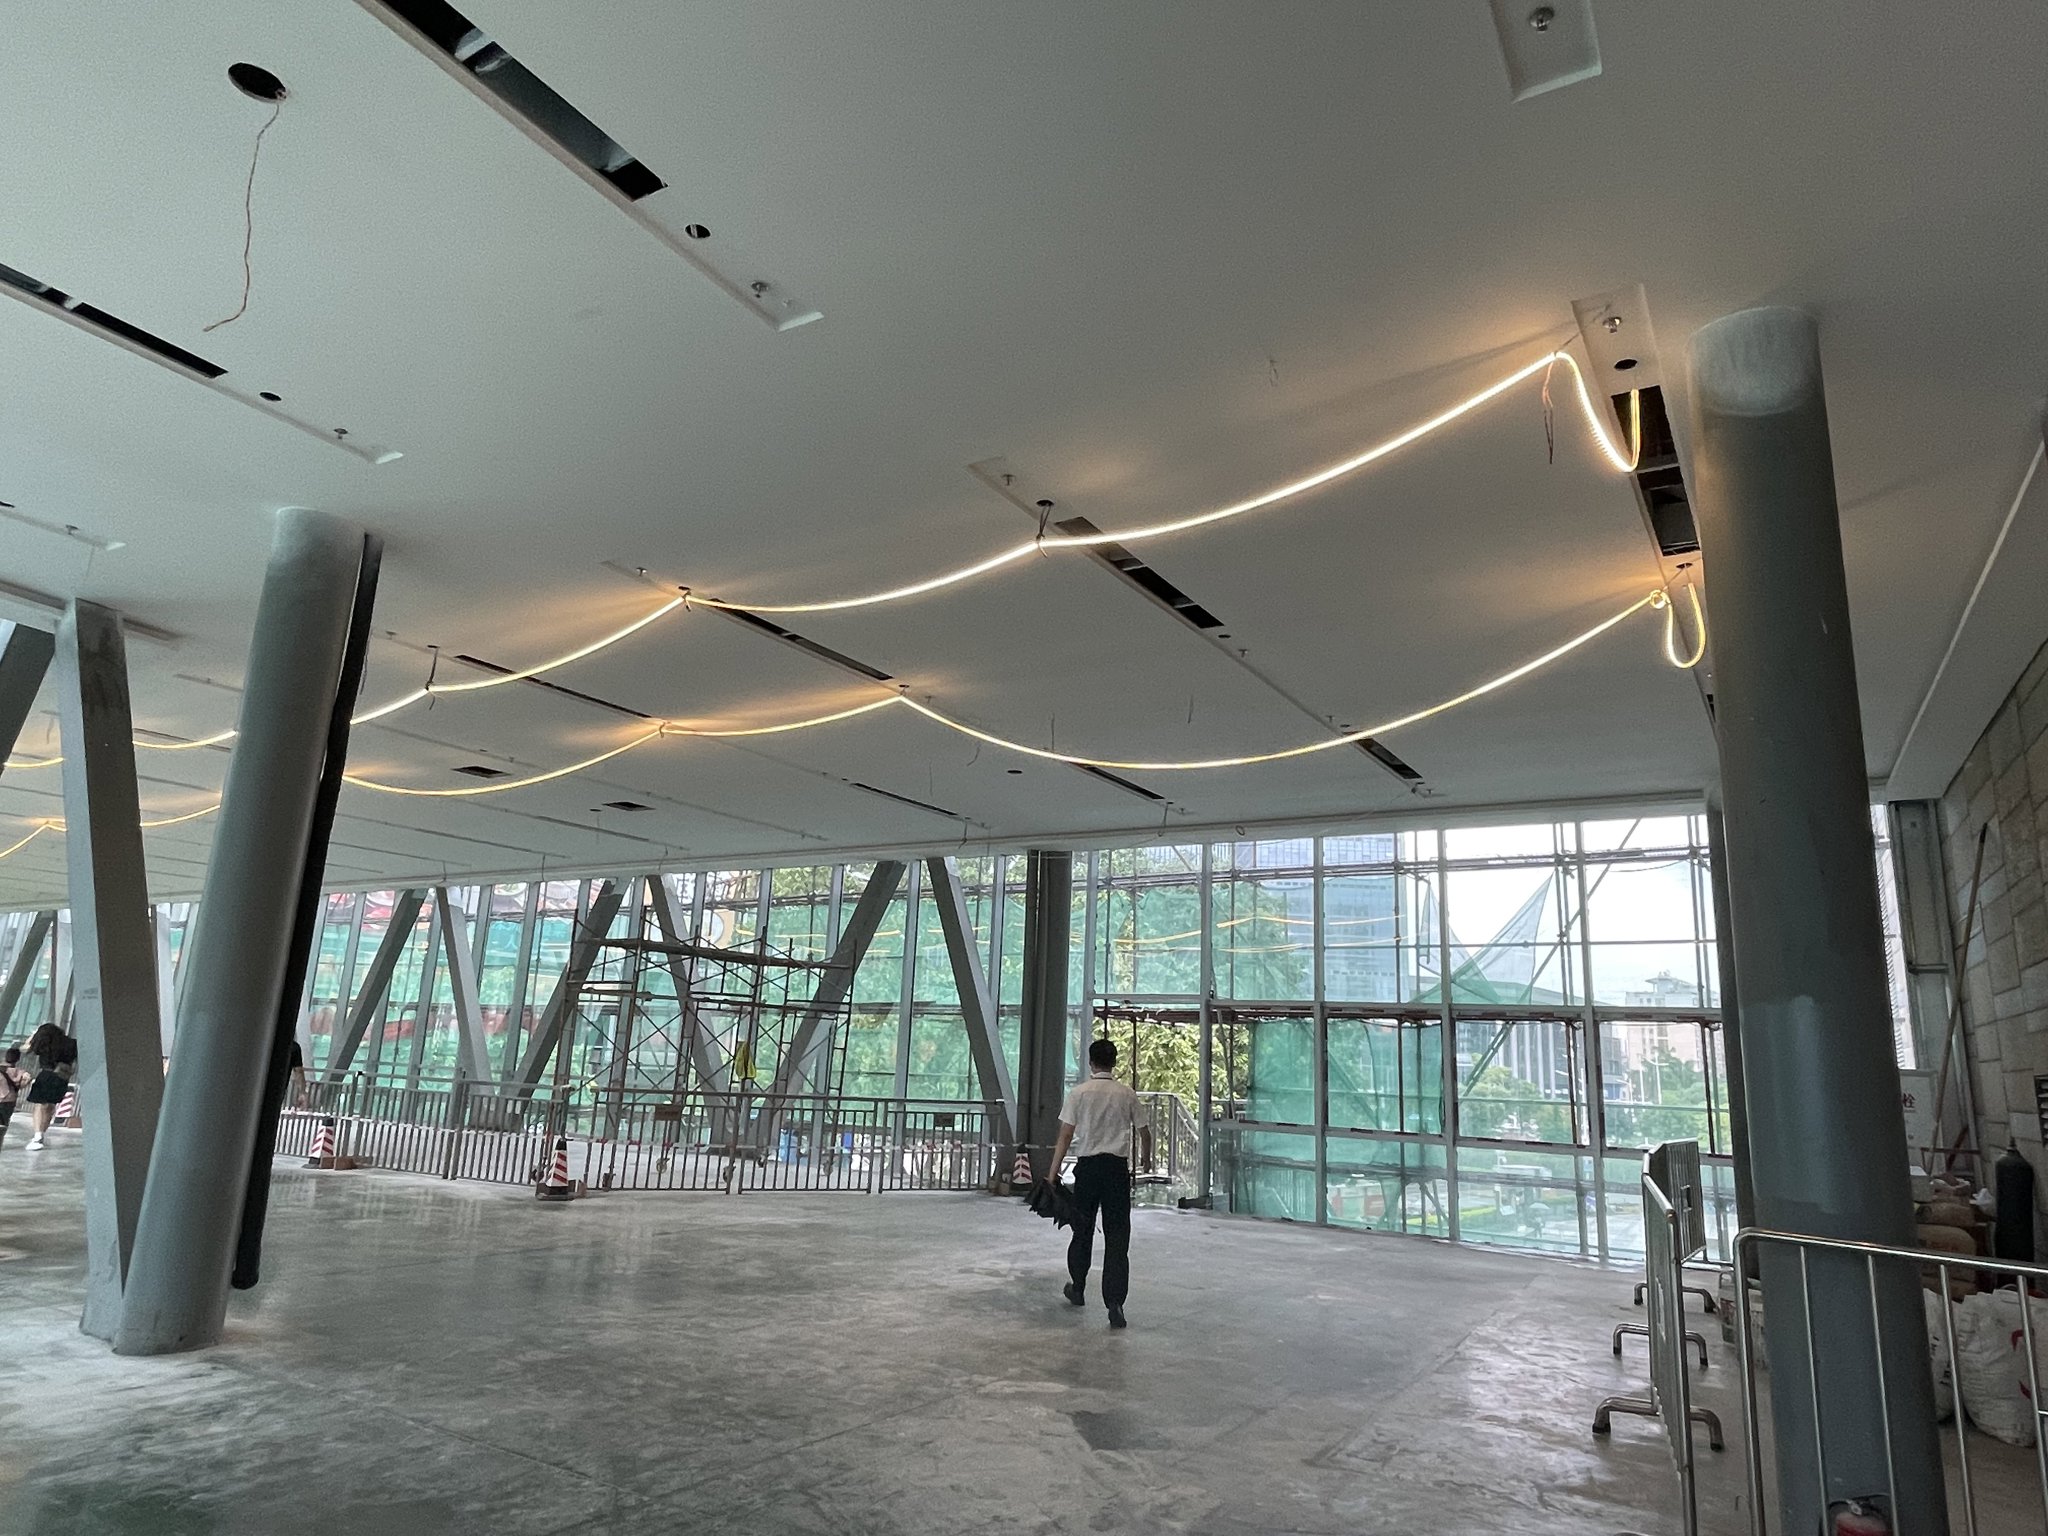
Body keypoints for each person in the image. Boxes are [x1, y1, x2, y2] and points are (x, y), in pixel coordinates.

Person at [1049, 1038, 1140, 1329]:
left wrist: (1052, 1173)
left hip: (1087, 1170)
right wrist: (1147, 1160)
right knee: (1117, 1236)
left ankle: (1077, 1287)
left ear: (1090, 1062)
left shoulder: (1079, 1093)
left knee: (1082, 1229)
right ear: (1114, 1062)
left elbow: (1065, 1135)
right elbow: (1144, 1131)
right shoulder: (1126, 1094)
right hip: (1116, 1171)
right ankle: (1115, 1303)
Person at [22, 1023, 77, 1151]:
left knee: (39, 1106)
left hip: (46, 1075)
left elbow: (24, 1049)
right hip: (62, 1078)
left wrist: (32, 1037)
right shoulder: (71, 1043)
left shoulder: (43, 1042)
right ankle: (41, 1134)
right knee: (50, 1106)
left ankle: (37, 1135)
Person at [0, 1047, 28, 1151]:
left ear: (5, 1056)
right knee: (4, 1123)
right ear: (18, 1059)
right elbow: (26, 1081)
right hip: (9, 1100)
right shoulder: (20, 1072)